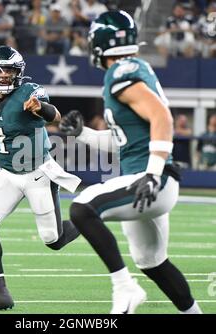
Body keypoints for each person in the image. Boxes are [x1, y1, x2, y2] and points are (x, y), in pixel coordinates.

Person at [60, 11, 202, 314]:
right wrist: (82, 133)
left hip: (150, 181)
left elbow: (162, 118)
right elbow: (125, 142)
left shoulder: (120, 71)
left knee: (82, 208)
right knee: (152, 262)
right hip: (148, 181)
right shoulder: (135, 68)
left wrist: (152, 174)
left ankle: (124, 287)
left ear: (98, 43)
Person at [0, 45, 81, 311]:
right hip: (7, 172)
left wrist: (40, 108)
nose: (5, 75)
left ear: (18, 72)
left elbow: (55, 117)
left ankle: (87, 219)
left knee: (54, 241)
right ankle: (0, 293)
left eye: (9, 70)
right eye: (0, 70)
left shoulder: (30, 93)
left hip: (37, 173)